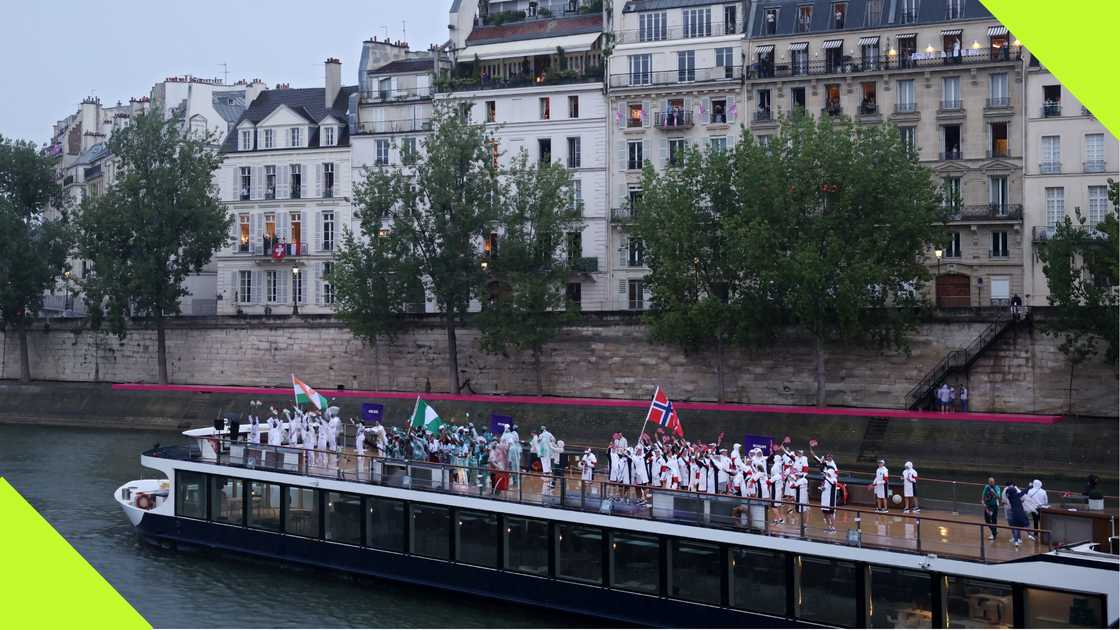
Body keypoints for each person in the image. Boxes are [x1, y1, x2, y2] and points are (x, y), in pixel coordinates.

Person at [1004, 481, 1029, 547]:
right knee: (1025, 524)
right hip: (1020, 513)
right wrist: (1029, 487)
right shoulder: (1017, 496)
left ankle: (1016, 541)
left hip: (1014, 514)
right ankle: (1029, 535)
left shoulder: (1010, 497)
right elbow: (1023, 492)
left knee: (1015, 527)